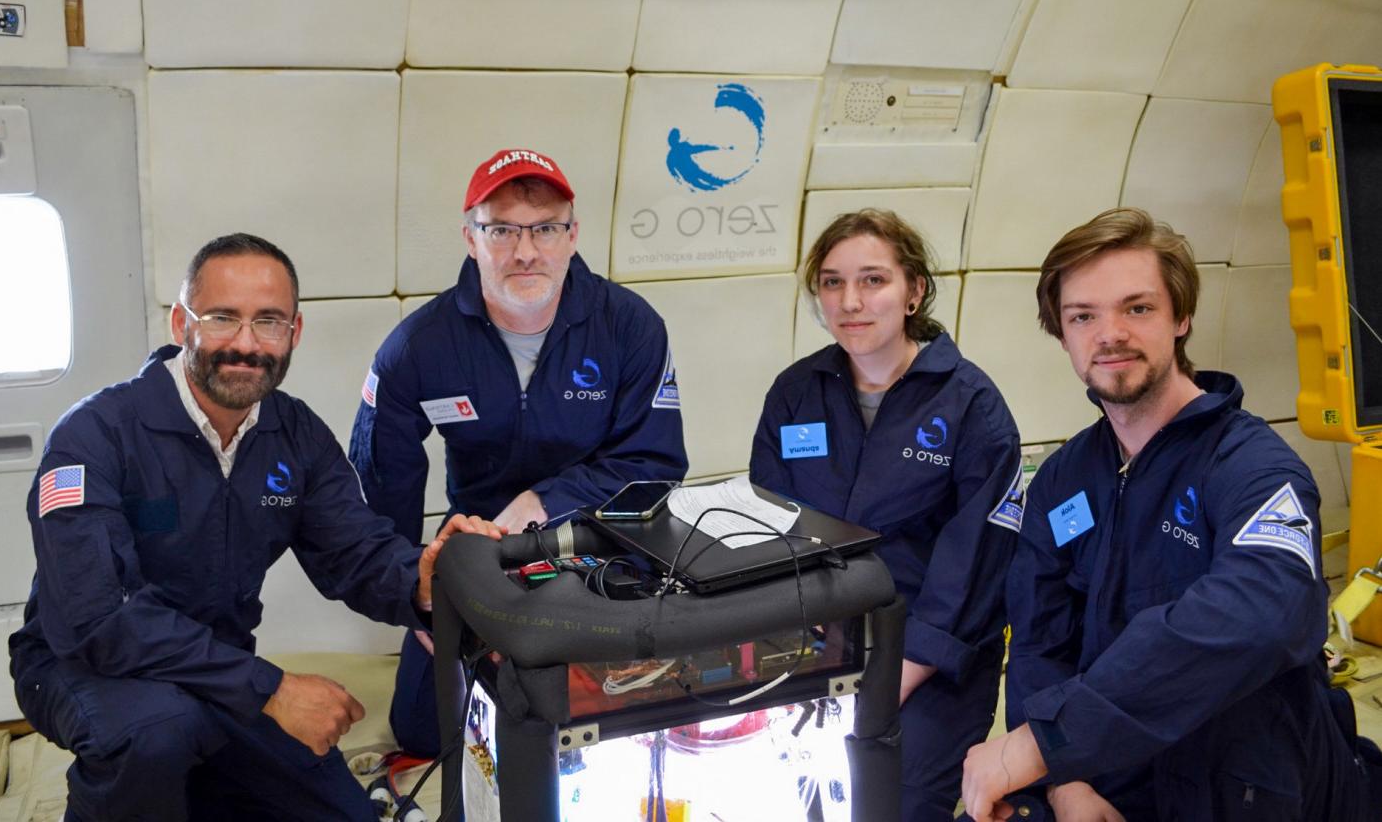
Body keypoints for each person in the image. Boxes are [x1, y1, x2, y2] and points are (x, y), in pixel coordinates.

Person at [7, 233, 500, 822]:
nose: (245, 344)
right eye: (222, 318)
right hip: (85, 668)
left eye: (267, 322)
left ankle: (202, 786)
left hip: (219, 669)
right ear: (179, 323)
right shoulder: (95, 435)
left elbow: (355, 551)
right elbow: (95, 621)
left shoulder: (295, 436)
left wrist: (422, 581)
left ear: (294, 332)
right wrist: (269, 690)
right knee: (158, 732)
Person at [961, 208, 1380, 822]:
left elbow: (1263, 613)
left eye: (1137, 308)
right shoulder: (1061, 480)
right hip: (1108, 771)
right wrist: (1063, 782)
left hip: (1249, 784)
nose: (1110, 334)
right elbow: (1039, 643)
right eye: (1083, 316)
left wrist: (1044, 741)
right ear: (1062, 334)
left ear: (1181, 318)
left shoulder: (1253, 466)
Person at [350, 147, 688, 756]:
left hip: (598, 546)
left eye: (545, 228)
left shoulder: (630, 327)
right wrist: (418, 602)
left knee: (598, 725)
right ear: (470, 239)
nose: (525, 251)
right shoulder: (417, 348)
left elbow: (654, 465)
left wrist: (543, 502)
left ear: (572, 235)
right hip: (478, 553)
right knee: (427, 733)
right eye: (501, 229)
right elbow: (380, 490)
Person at [749, 209, 1023, 822]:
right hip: (815, 648)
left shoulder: (971, 406)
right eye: (831, 282)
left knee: (893, 804)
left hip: (930, 660)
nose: (850, 301)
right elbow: (767, 529)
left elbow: (974, 567)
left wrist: (890, 680)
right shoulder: (795, 394)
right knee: (796, 801)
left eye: (873, 280)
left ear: (914, 290)